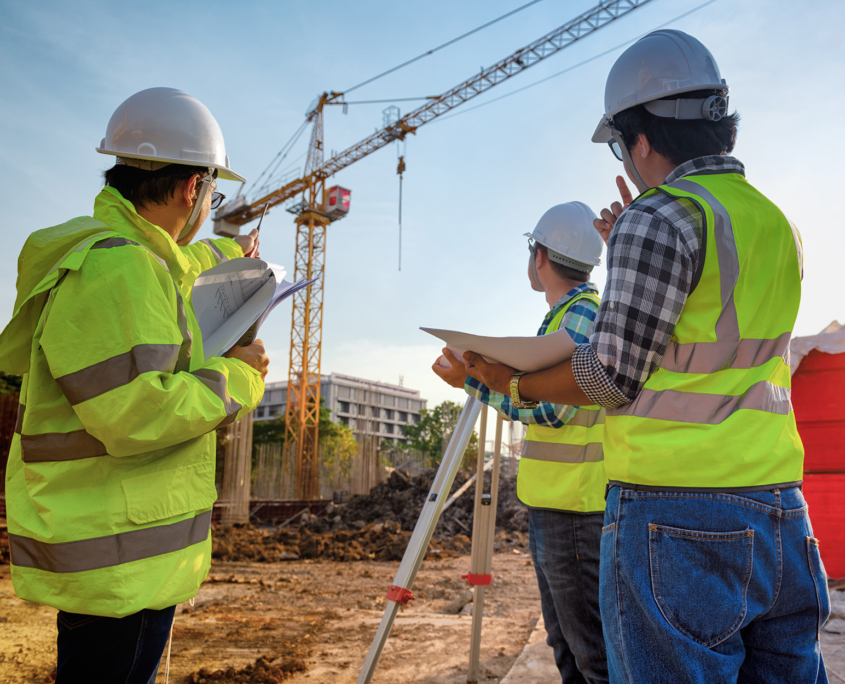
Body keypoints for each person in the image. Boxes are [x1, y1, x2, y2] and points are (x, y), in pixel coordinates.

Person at [459, 30, 830, 683]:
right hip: (780, 509)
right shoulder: (777, 222)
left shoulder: (659, 217)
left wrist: (509, 385)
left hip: (679, 512)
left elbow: (607, 375)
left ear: (637, 139)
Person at [0, 87, 269, 683]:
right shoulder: (119, 269)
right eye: (211, 193)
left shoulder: (128, 256)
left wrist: (228, 251)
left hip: (118, 546)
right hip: (118, 560)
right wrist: (241, 376)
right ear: (190, 189)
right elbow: (136, 412)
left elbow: (176, 263)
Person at [433, 202, 608, 684]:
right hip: (556, 503)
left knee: (590, 652)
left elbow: (556, 409)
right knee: (567, 647)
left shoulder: (581, 317)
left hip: (576, 507)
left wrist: (475, 382)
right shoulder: (562, 319)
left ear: (542, 257)